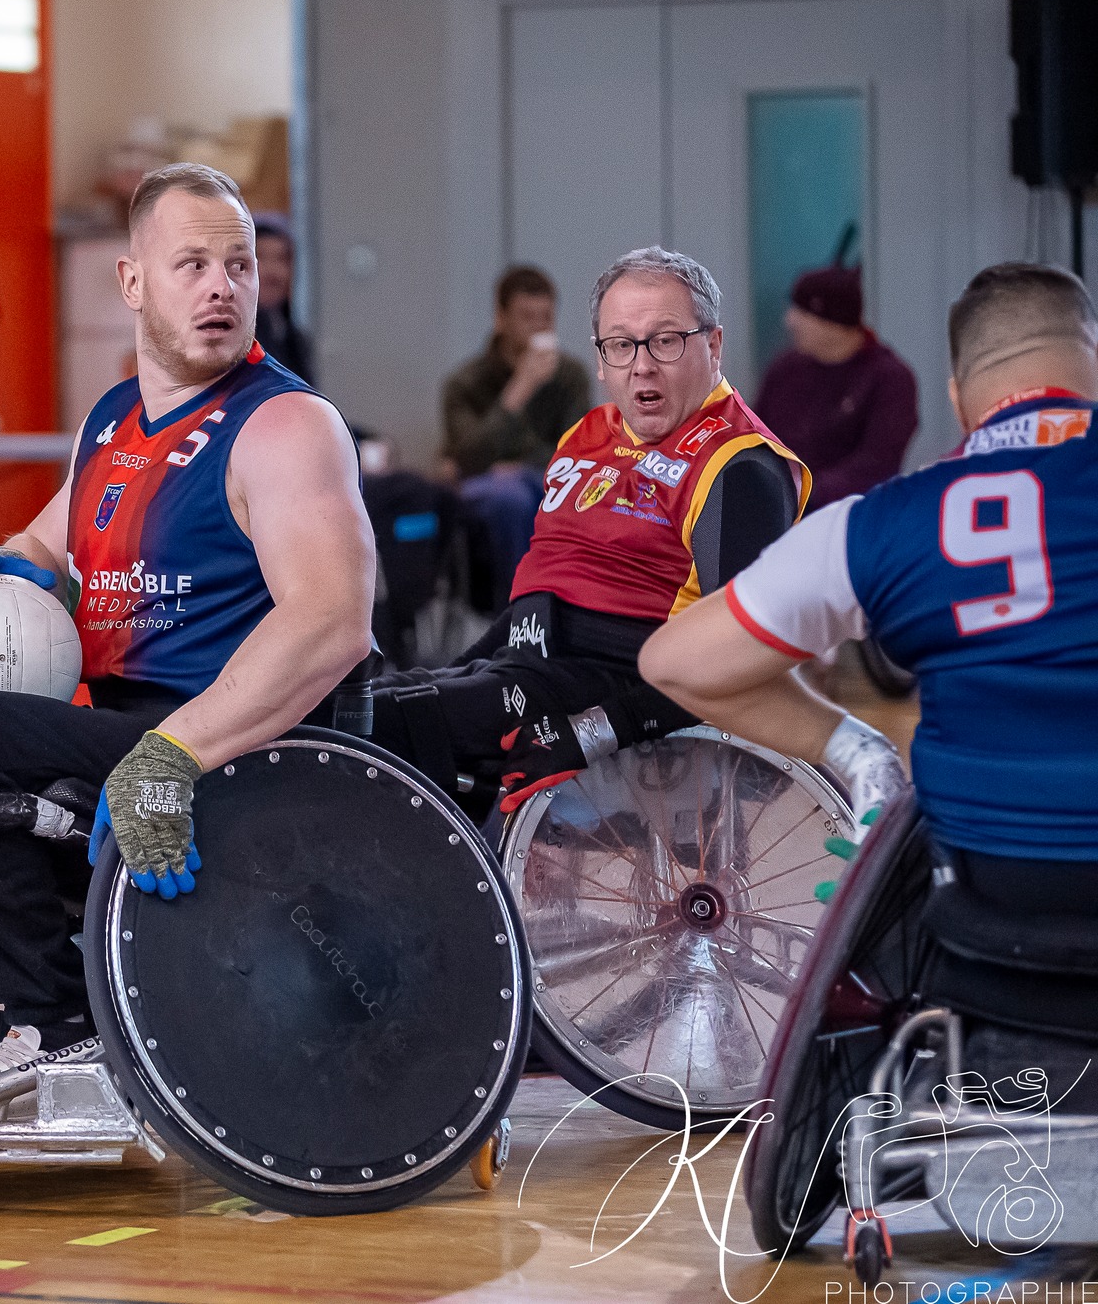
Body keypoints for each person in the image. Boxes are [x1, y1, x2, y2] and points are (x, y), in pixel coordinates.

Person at [0, 163, 375, 1099]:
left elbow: (333, 623)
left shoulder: (285, 424)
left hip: (228, 745)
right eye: (193, 265)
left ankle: (54, 1023)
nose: (222, 287)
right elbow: (47, 542)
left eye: (239, 266)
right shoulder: (115, 419)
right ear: (132, 283)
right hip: (119, 729)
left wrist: (173, 752)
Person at [643, 262, 1098, 892]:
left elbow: (673, 662)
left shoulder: (878, 523)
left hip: (976, 918)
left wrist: (860, 750)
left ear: (958, 402)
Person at [369, 247, 811, 817]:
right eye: (621, 345)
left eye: (666, 340)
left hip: (606, 689)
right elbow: (541, 592)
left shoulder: (739, 465)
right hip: (525, 665)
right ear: (601, 359)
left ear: (714, 345)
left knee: (360, 729)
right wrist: (455, 671)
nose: (642, 366)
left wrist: (591, 733)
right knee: (358, 703)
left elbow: (740, 660)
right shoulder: (590, 433)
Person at [441, 266, 597, 597]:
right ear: (501, 318)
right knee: (509, 498)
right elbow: (466, 460)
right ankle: (516, 617)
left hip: (549, 481)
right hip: (488, 499)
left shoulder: (570, 376)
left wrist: (521, 467)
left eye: (546, 317)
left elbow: (579, 450)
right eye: (527, 317)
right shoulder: (466, 383)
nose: (539, 327)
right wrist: (520, 390)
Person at [753, 264, 919, 511]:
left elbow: (877, 463)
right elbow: (755, 437)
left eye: (801, 312)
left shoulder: (888, 379)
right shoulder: (784, 370)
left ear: (831, 321)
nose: (789, 321)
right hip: (779, 517)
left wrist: (802, 494)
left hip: (853, 521)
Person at [251, 213, 314, 384]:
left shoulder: (293, 336)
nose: (273, 272)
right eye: (261, 257)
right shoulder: (235, 339)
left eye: (281, 259)